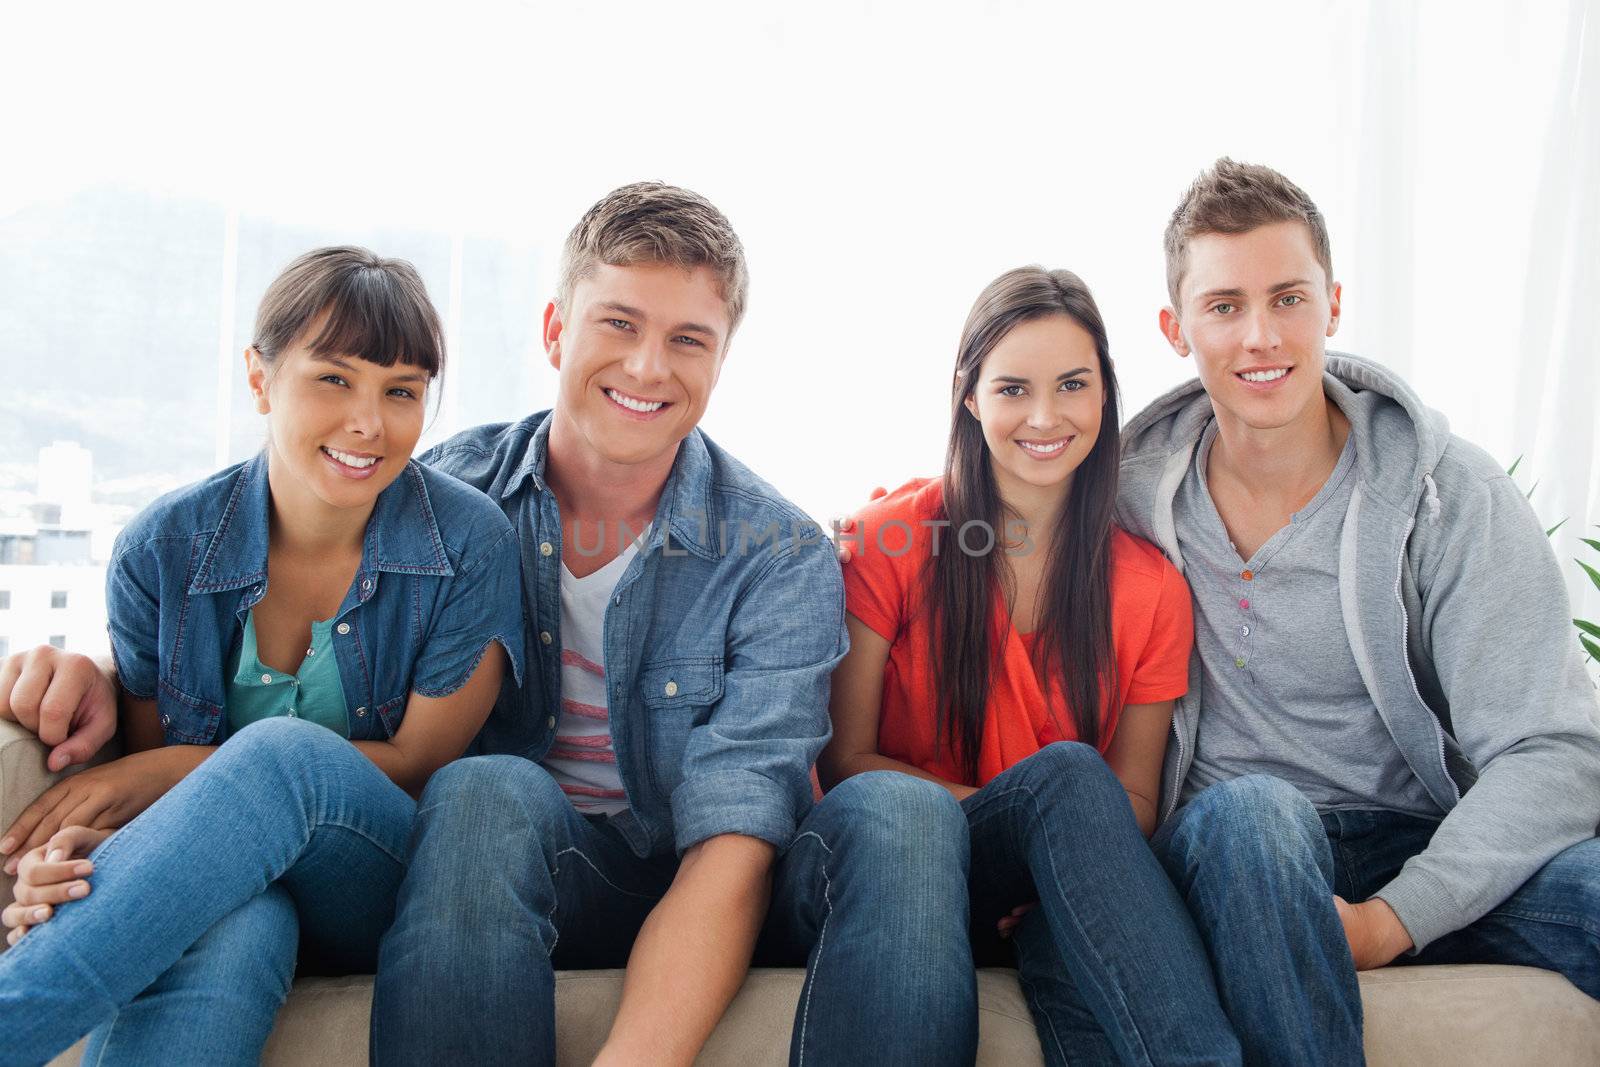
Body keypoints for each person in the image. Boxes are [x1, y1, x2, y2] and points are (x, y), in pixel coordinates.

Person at [353, 183, 973, 1065]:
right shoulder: (442, 497)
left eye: (689, 340)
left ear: (721, 360)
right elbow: (275, 598)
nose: (649, 367)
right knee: (486, 790)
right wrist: (97, 681)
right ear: (555, 329)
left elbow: (732, 844)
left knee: (905, 812)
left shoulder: (777, 553)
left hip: (707, 873)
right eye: (619, 323)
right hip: (510, 859)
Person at [1117, 158, 1600, 1064]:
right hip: (1236, 846)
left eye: (1288, 297)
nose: (1261, 335)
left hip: (1422, 840)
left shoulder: (1448, 495)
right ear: (1174, 328)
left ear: (1333, 304)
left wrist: (1391, 920)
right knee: (1256, 815)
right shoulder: (1127, 495)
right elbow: (990, 511)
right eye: (1223, 306)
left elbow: (1553, 750)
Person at [0, 246, 523, 1065]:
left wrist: (146, 782)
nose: (369, 422)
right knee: (238, 921)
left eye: (401, 392)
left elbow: (420, 768)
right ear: (259, 378)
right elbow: (168, 787)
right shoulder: (163, 550)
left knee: (285, 756)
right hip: (233, 881)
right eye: (334, 379)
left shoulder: (468, 542)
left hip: (391, 881)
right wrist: (101, 862)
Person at [823, 266, 1240, 1066]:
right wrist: (1039, 839)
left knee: (1080, 837)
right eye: (1013, 388)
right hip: (911, 856)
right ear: (970, 396)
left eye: (1073, 385)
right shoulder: (889, 540)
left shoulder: (1151, 587)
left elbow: (1139, 797)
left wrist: (1051, 868)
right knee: (1072, 782)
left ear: (1105, 398)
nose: (1045, 417)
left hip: (1059, 892)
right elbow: (846, 761)